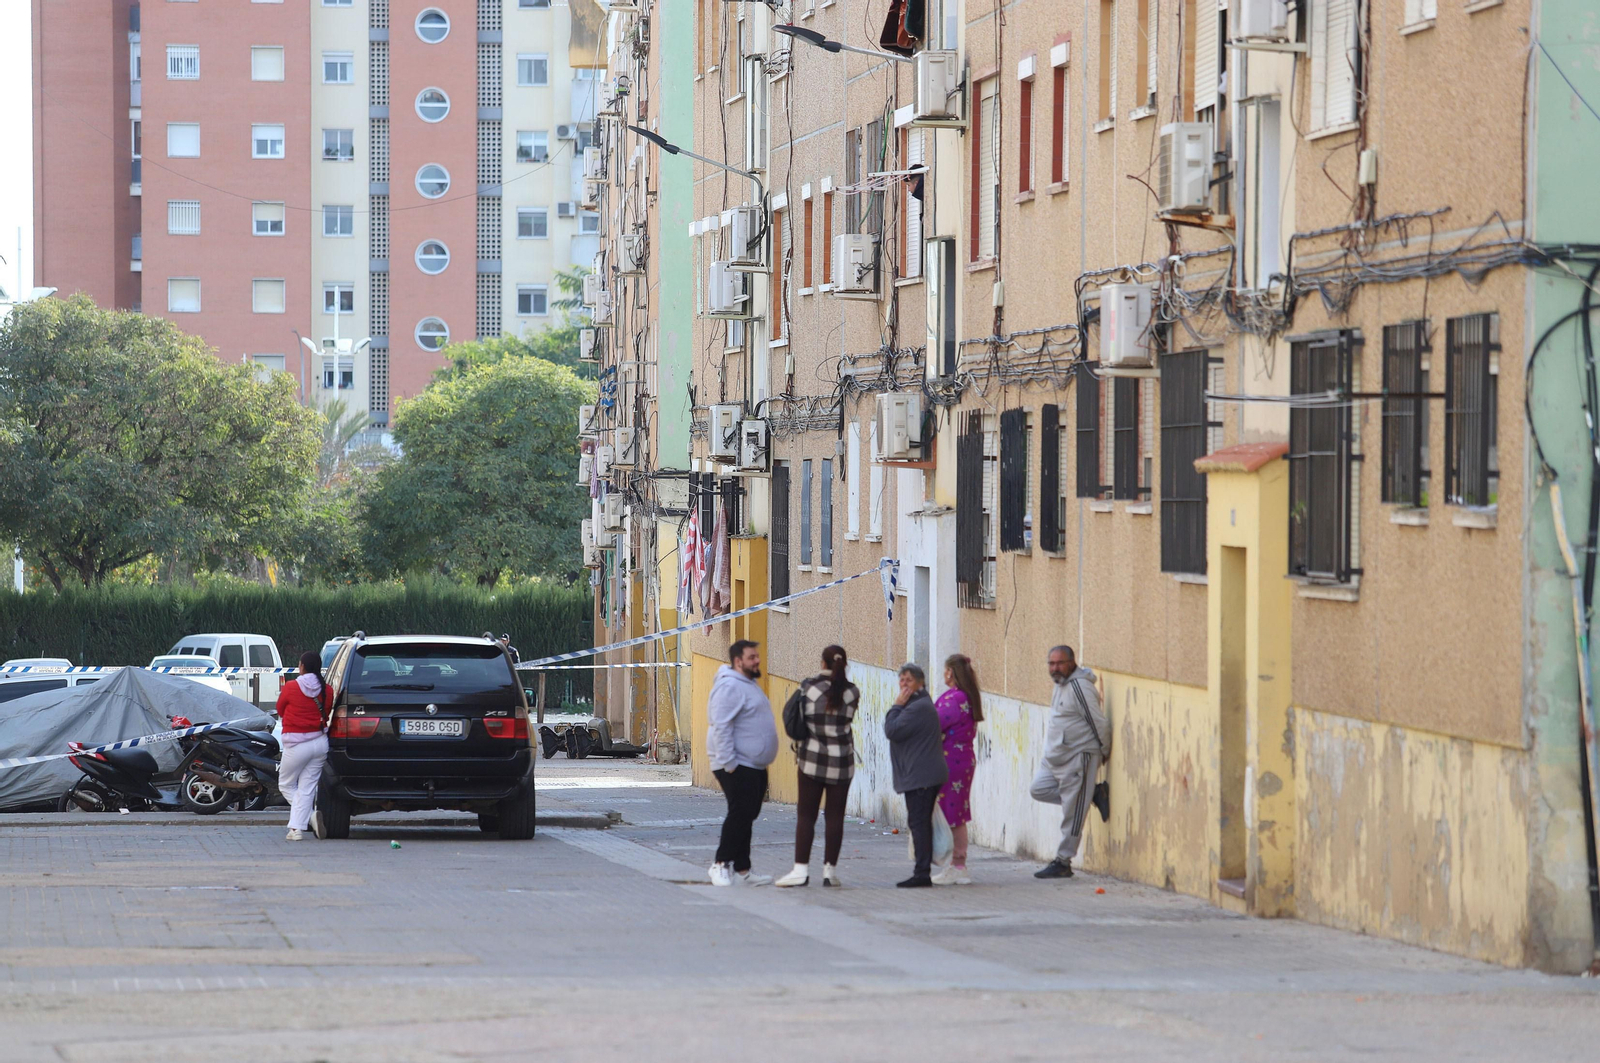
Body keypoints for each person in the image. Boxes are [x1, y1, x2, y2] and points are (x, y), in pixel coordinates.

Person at [775, 645, 859, 888]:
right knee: (835, 817)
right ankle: (829, 872)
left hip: (811, 759)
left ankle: (800, 870)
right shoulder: (853, 692)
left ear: (823, 663)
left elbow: (796, 715)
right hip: (842, 761)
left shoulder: (808, 687)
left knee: (806, 815)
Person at [1029, 644, 1109, 879]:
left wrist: (1104, 750)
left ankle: (1063, 861)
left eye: (1060, 663)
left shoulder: (1079, 687)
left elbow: (1099, 723)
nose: (1055, 668)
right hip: (1055, 759)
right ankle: (1091, 793)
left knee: (1073, 812)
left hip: (1078, 756)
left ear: (1072, 662)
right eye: (1051, 663)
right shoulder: (1060, 684)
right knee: (1038, 789)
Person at [706, 639, 779, 886]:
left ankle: (743, 869)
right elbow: (721, 726)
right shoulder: (729, 687)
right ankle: (719, 864)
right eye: (751, 657)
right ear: (738, 661)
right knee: (740, 813)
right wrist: (729, 764)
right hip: (736, 763)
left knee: (748, 813)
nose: (757, 660)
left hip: (753, 764)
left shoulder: (748, 684)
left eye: (757, 656)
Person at [883, 662, 948, 888]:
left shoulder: (917, 706)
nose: (904, 684)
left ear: (921, 683)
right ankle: (922, 870)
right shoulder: (919, 704)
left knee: (919, 823)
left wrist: (896, 705)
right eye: (901, 680)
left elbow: (892, 730)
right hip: (922, 774)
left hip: (922, 776)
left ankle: (922, 873)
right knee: (920, 823)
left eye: (909, 680)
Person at [931, 654, 983, 885]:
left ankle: (957, 864)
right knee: (957, 811)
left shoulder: (956, 698)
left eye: (945, 670)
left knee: (951, 810)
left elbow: (935, 722)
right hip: (961, 759)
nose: (944, 674)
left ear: (950, 671)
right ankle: (958, 864)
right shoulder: (967, 696)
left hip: (951, 760)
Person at [275, 650, 330, 842]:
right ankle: (295, 830)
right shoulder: (327, 689)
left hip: (297, 743)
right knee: (307, 788)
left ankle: (307, 818)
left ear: (302, 667)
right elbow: (328, 710)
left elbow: (280, 708)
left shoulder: (291, 687)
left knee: (286, 784)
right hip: (320, 743)